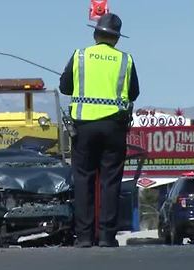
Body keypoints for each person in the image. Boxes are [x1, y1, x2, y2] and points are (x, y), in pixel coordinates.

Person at [59, 13, 139, 247]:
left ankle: (84, 237)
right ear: (117, 39)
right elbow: (133, 93)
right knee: (110, 181)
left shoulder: (80, 56)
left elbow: (65, 87)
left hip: (84, 127)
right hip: (114, 127)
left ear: (95, 34)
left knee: (83, 180)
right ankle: (106, 236)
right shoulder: (126, 60)